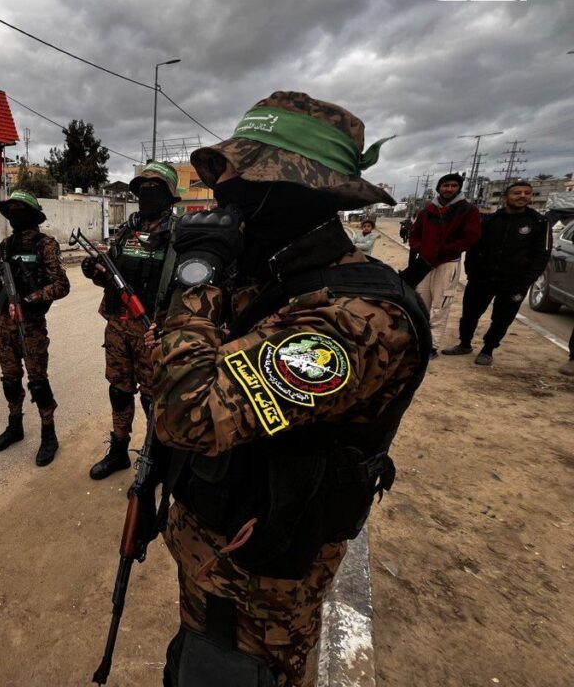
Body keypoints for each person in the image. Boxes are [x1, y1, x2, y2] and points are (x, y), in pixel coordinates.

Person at [150, 91, 429, 687]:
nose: (227, 197)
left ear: (303, 193)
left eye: (246, 183)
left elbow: (185, 411)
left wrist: (195, 279)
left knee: (233, 674)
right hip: (216, 549)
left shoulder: (356, 316)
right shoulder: (277, 278)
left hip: (258, 582)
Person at [83, 161, 180, 480]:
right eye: (143, 189)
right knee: (119, 391)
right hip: (118, 327)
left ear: (169, 194)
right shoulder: (125, 230)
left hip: (153, 332)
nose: (147, 194)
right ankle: (119, 451)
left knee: (154, 399)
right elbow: (112, 276)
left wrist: (168, 326)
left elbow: (184, 289)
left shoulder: (178, 234)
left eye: (155, 189)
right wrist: (95, 271)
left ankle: (157, 459)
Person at [0, 190, 71, 465]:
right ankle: (15, 425)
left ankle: (49, 434)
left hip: (30, 325)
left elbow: (61, 285)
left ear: (31, 214)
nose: (13, 216)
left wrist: (29, 298)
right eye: (10, 210)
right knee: (10, 379)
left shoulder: (45, 245)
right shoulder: (6, 245)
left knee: (38, 382)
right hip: (4, 323)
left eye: (18, 210)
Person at [441, 181, 551, 365]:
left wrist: (526, 281)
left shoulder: (539, 223)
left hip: (514, 281)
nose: (522, 196)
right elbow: (474, 247)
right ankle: (465, 343)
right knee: (470, 313)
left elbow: (542, 255)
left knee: (502, 318)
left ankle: (488, 349)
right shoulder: (489, 220)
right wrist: (471, 272)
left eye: (527, 193)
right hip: (482, 278)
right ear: (505, 197)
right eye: (517, 193)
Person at [405, 172, 481, 355]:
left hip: (447, 264)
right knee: (420, 304)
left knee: (440, 306)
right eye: (445, 185)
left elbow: (471, 237)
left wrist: (444, 250)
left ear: (458, 188)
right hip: (424, 264)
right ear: (439, 188)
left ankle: (432, 345)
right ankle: (417, 341)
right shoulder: (428, 210)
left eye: (453, 186)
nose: (449, 189)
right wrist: (422, 249)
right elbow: (414, 234)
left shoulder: (468, 210)